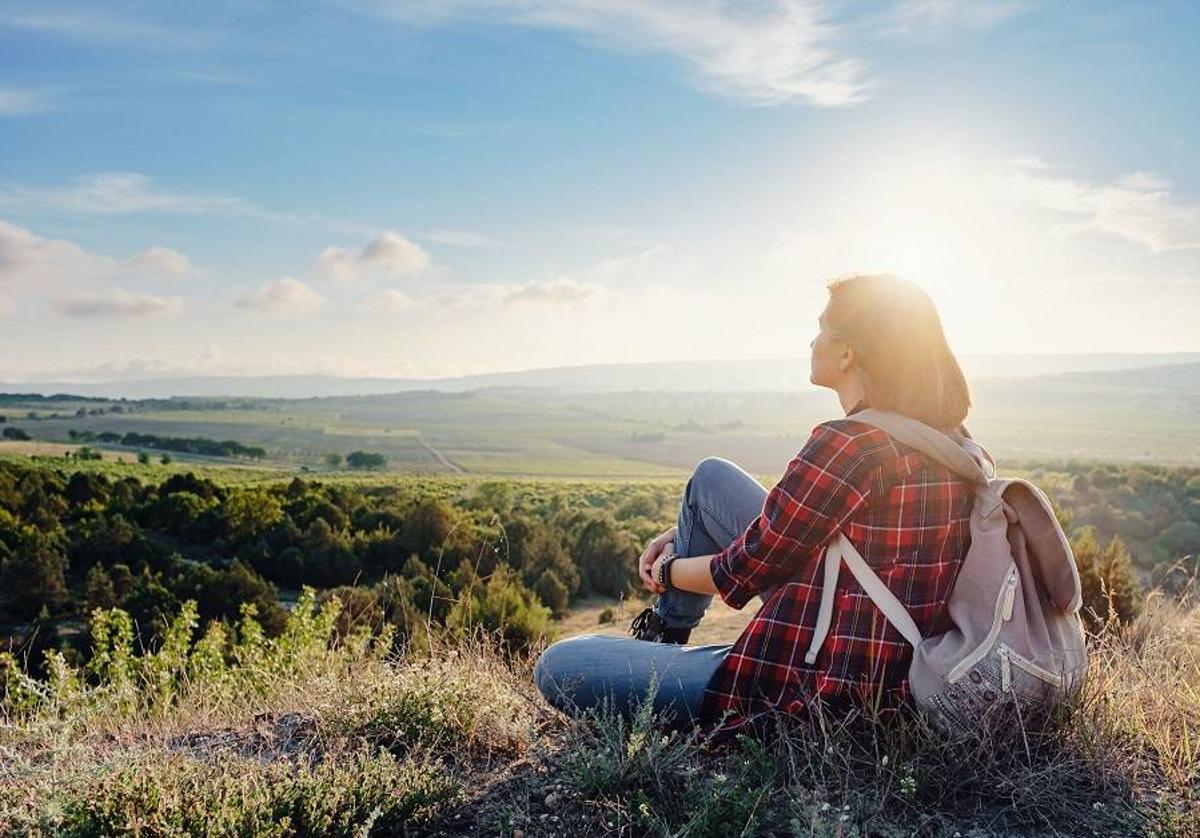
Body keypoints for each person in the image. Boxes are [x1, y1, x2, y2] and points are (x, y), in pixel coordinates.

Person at [532, 274, 979, 743]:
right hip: (897, 659)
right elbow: (800, 527)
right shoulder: (951, 440)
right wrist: (689, 529)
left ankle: (663, 658)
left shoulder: (849, 444)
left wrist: (668, 571)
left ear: (848, 353)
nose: (812, 339)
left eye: (822, 328)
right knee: (711, 480)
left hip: (820, 685)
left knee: (560, 666)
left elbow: (743, 569)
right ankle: (663, 642)